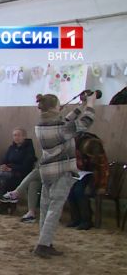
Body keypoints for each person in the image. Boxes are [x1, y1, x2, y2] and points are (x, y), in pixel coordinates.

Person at [32, 92, 96, 258]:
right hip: (62, 170)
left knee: (46, 208)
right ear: (55, 107)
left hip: (47, 171)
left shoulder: (41, 124)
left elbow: (66, 121)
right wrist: (90, 104)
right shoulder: (61, 128)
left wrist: (80, 106)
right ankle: (43, 244)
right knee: (55, 208)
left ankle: (45, 241)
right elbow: (86, 122)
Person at [0, 127, 36, 209]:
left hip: (21, 173)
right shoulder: (12, 148)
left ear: (24, 137)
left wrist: (11, 168)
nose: (16, 137)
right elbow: (4, 160)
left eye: (18, 135)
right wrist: (3, 166)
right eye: (14, 135)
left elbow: (27, 166)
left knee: (4, 180)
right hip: (8, 172)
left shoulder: (29, 150)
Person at [66, 134, 109, 230]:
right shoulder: (75, 145)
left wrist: (102, 186)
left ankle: (86, 220)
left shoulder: (98, 148)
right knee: (70, 190)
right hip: (77, 172)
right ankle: (75, 218)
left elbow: (103, 169)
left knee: (80, 191)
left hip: (92, 174)